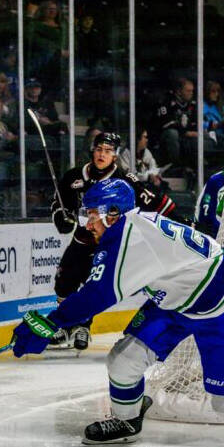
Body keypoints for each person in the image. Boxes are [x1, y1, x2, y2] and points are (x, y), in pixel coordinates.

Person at [11, 178, 224, 444]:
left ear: (113, 214)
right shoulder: (130, 227)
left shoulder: (129, 237)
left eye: (92, 215)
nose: (88, 224)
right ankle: (128, 420)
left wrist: (49, 324)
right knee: (123, 360)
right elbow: (96, 291)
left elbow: (98, 294)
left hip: (222, 302)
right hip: (176, 302)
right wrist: (52, 324)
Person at [49, 131, 178, 350]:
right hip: (82, 238)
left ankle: (83, 325)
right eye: (99, 149)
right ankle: (63, 325)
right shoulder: (74, 177)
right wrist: (60, 217)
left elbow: (155, 202)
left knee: (91, 284)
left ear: (115, 156)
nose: (102, 154)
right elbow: (58, 204)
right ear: (93, 150)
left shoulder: (124, 180)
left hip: (107, 244)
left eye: (108, 151)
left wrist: (182, 221)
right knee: (63, 282)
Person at [152, 77, 199, 168]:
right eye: (188, 91)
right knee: (172, 133)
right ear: (179, 91)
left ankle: (196, 169)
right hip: (164, 139)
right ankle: (176, 167)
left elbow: (195, 124)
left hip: (185, 137)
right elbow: (167, 124)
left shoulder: (193, 104)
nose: (191, 93)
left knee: (201, 136)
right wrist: (185, 132)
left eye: (192, 91)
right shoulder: (166, 102)